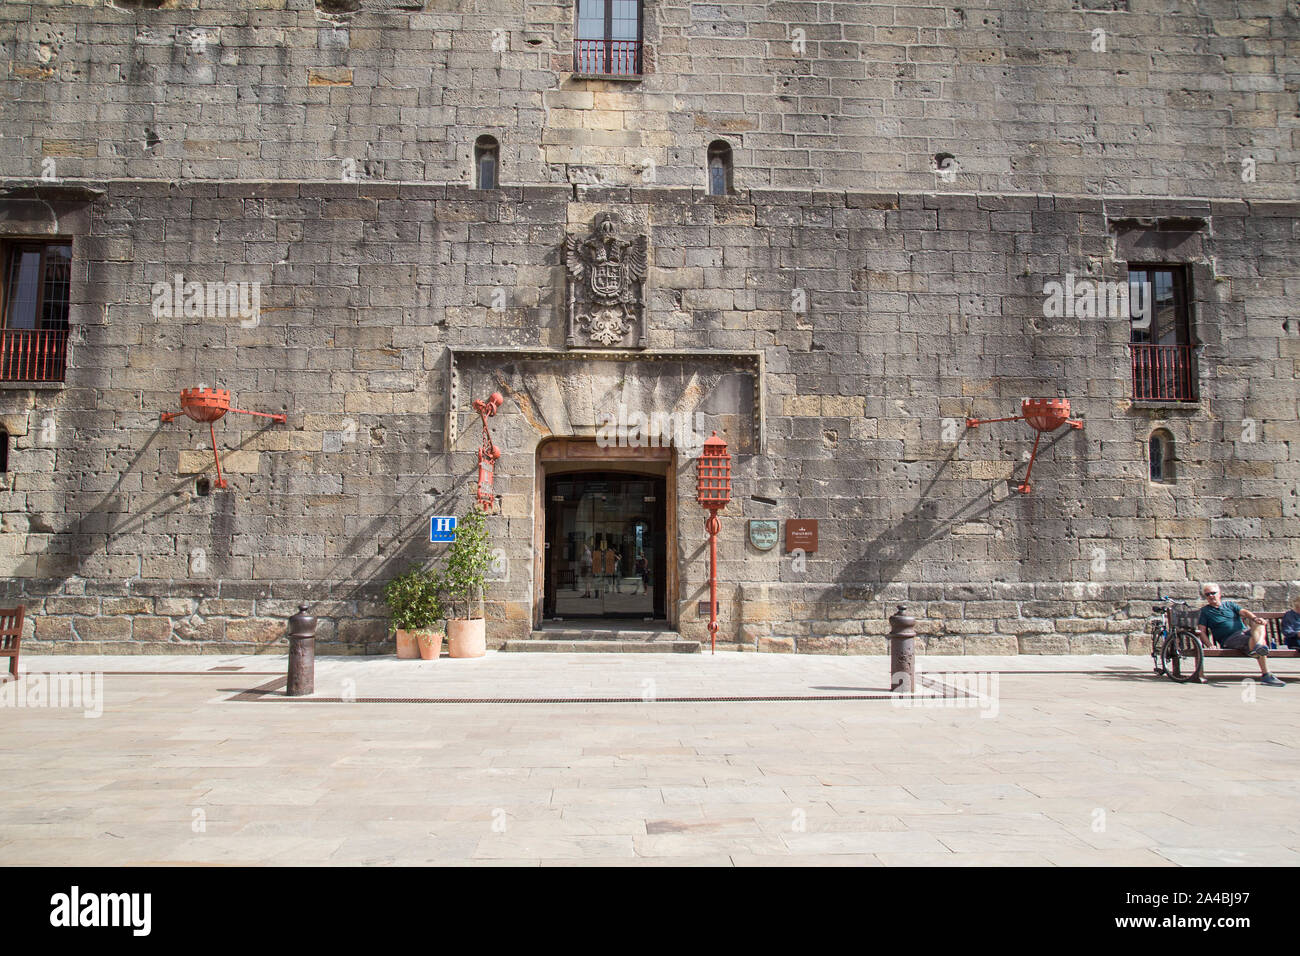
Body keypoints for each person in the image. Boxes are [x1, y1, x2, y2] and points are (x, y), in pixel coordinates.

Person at [1197, 583, 1283, 687]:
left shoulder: (1230, 605)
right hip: (1229, 639)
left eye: (1213, 593)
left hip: (1244, 632)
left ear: (1219, 593)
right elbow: (1201, 631)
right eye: (1207, 594)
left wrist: (1255, 618)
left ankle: (1258, 646)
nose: (1211, 596)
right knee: (1255, 640)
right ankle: (1266, 672)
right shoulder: (1205, 611)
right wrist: (1209, 644)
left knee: (1259, 623)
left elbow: (1244, 612)